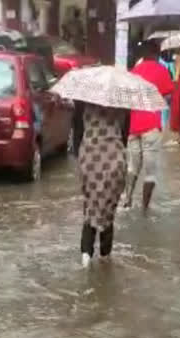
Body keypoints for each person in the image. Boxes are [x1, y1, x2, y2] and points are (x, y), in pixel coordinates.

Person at [76, 102, 128, 267]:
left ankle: (86, 254)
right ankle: (105, 256)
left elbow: (77, 131)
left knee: (90, 205)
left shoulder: (83, 101)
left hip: (89, 157)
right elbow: (125, 136)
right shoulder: (123, 102)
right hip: (114, 158)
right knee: (108, 206)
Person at [125, 41, 174, 210]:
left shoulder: (134, 72)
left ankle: (127, 200)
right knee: (151, 173)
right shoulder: (162, 71)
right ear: (156, 53)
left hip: (133, 126)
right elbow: (167, 98)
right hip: (151, 125)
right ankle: (145, 209)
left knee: (132, 167)